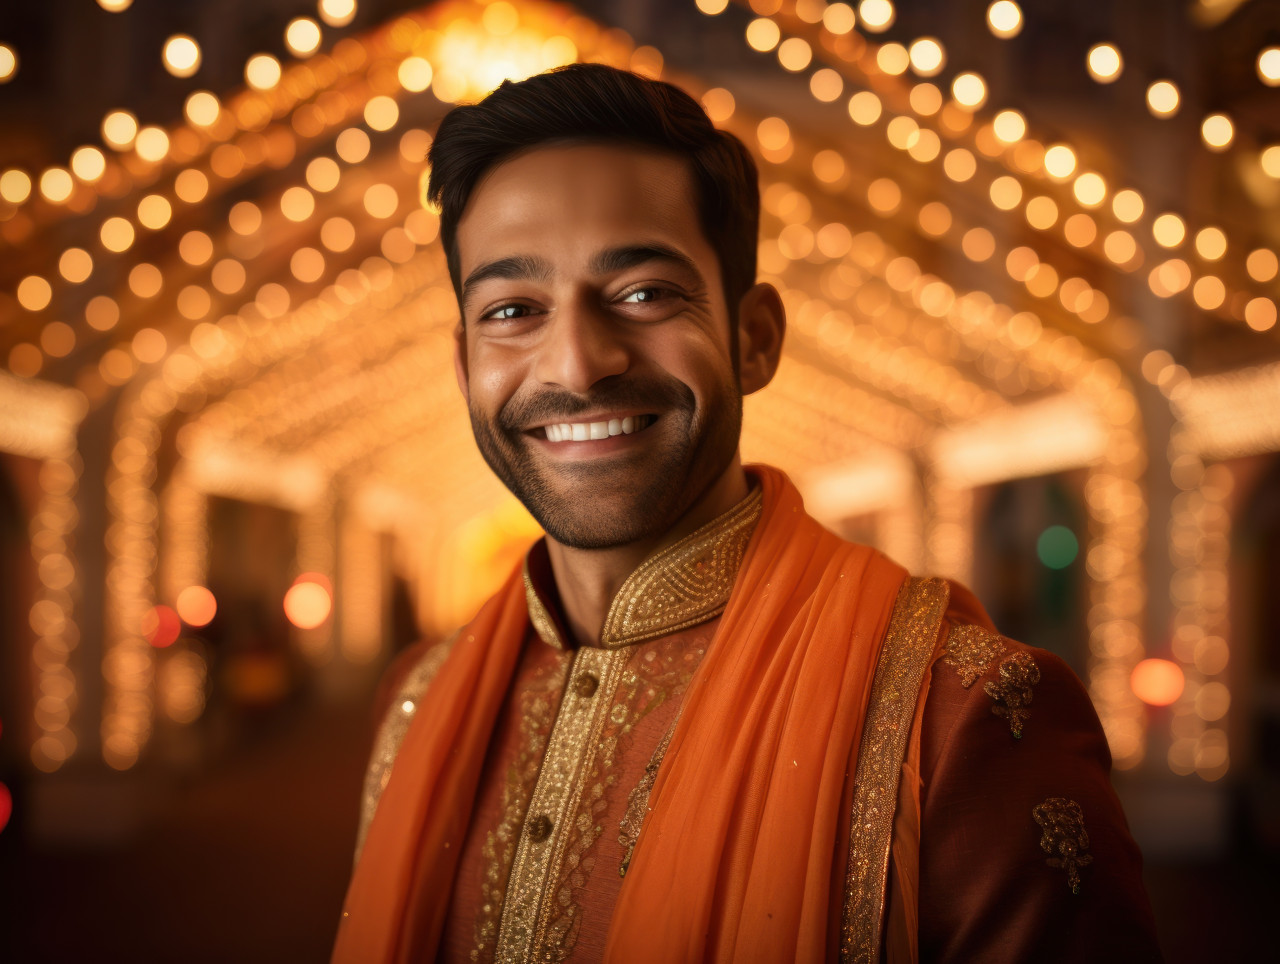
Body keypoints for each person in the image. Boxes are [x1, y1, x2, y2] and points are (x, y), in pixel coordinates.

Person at [332, 64, 1161, 963]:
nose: (576, 363)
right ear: (465, 369)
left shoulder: (962, 717)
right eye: (512, 309)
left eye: (644, 293)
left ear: (755, 337)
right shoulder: (420, 699)